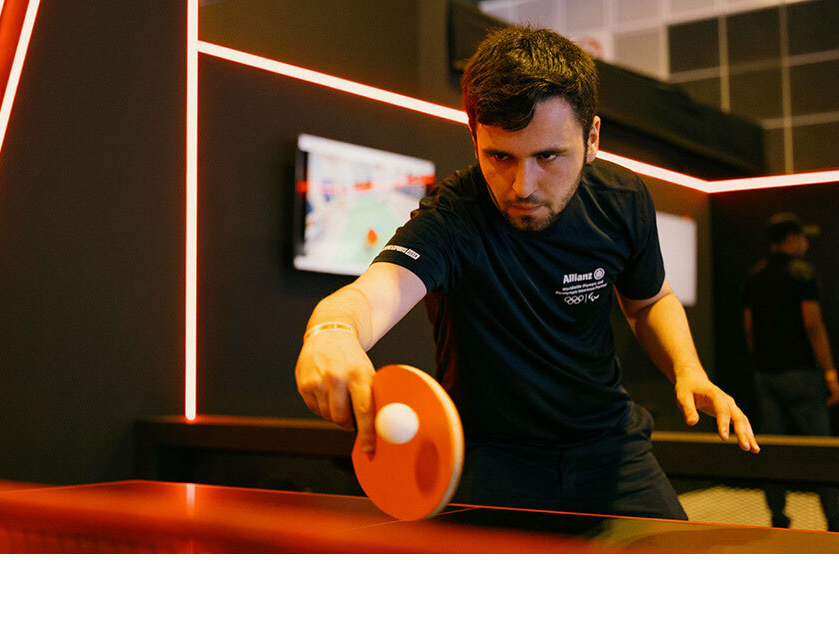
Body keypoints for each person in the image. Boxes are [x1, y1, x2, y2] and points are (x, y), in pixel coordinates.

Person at [295, 26, 758, 520]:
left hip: (610, 447)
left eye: (548, 156)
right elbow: (373, 294)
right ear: (474, 139)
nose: (523, 185)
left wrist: (687, 370)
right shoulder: (453, 218)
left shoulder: (623, 201)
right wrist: (331, 332)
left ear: (593, 138)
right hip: (489, 459)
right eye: (500, 156)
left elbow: (648, 301)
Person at [742, 212, 839, 531]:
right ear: (789, 240)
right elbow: (812, 324)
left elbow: (750, 328)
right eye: (801, 237)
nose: (805, 243)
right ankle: (834, 521)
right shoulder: (802, 273)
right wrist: (829, 372)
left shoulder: (755, 276)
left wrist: (761, 362)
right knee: (820, 452)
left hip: (766, 375)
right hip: (802, 375)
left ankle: (778, 517)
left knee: (771, 451)